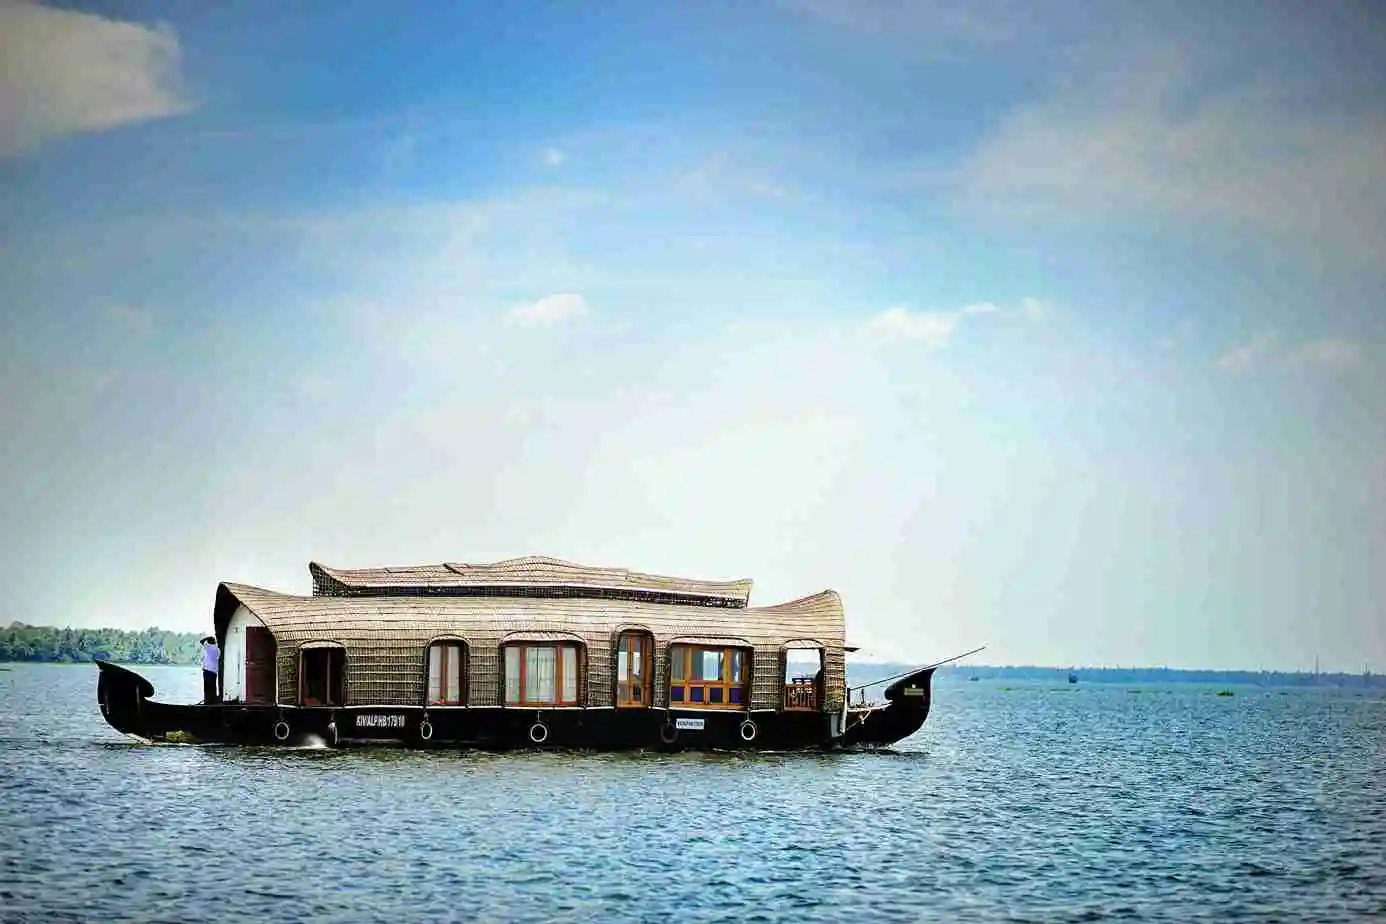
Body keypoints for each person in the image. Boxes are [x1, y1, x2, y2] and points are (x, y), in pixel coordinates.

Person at [200, 636, 221, 704]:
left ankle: (207, 701)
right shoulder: (218, 649)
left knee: (207, 687)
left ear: (209, 642)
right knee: (212, 687)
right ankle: (212, 701)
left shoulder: (208, 648)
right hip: (214, 671)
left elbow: (201, 641)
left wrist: (207, 638)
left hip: (207, 670)